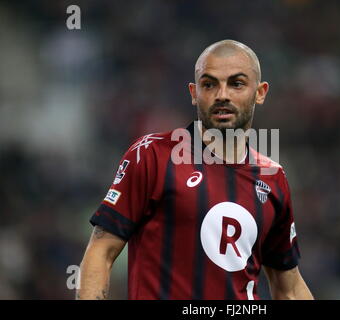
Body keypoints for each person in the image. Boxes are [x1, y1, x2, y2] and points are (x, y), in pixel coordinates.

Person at [77, 40, 313, 300]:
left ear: (260, 92)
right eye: (209, 84)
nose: (222, 94)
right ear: (193, 92)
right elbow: (101, 251)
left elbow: (288, 287)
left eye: (236, 83)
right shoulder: (152, 155)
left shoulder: (273, 177)